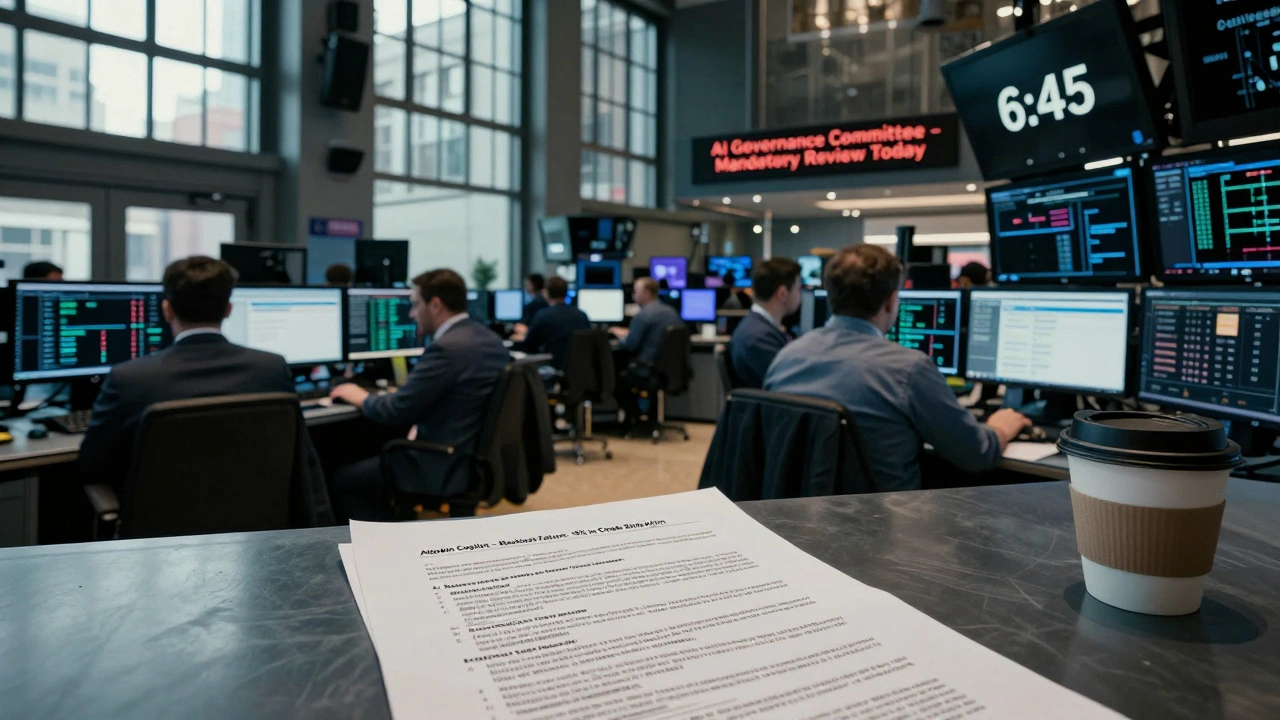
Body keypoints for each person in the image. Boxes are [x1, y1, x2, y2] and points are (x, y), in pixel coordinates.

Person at [78, 256, 332, 524]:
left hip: (161, 537)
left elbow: (92, 466)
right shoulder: (270, 368)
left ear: (167, 310)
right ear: (229, 310)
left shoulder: (129, 378)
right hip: (254, 529)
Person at [765, 245, 1031, 491]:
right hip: (883, 526)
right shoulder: (909, 369)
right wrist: (1000, 428)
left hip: (796, 519)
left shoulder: (786, 357)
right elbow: (975, 454)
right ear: (892, 301)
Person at [329, 269, 509, 522]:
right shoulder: (489, 339)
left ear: (435, 304)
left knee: (343, 480)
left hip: (439, 463)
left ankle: (383, 548)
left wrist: (358, 395)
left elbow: (395, 409)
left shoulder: (445, 349)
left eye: (415, 305)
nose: (412, 313)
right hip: (471, 457)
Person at [729, 258, 802, 389]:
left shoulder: (760, 327)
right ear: (783, 294)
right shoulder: (758, 338)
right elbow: (791, 384)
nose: (800, 295)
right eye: (798, 289)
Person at [523, 276, 591, 370]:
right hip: (579, 371)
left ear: (546, 293)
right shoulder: (582, 315)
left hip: (552, 368)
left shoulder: (543, 315)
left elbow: (528, 346)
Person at [610, 277, 681, 364]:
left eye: (636, 292)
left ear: (646, 293)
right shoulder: (672, 312)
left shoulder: (643, 315)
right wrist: (630, 333)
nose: (634, 296)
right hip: (669, 367)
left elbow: (630, 345)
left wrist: (621, 337)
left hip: (647, 367)